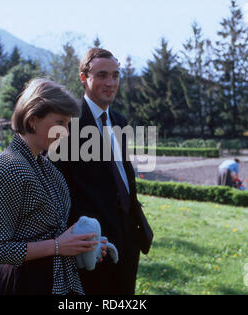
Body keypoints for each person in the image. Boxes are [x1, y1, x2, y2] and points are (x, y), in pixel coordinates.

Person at [0, 78, 104, 295]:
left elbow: (49, 230)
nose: (66, 133)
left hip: (50, 281)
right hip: (24, 283)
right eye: (60, 123)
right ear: (33, 120)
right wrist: (57, 246)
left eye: (68, 125)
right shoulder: (11, 168)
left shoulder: (44, 166)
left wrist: (82, 244)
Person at [54, 48, 153, 295]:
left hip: (129, 237)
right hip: (92, 242)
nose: (111, 83)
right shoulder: (67, 124)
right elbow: (56, 189)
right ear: (83, 78)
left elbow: (121, 175)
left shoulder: (119, 121)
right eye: (102, 75)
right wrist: (80, 237)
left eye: (116, 75)